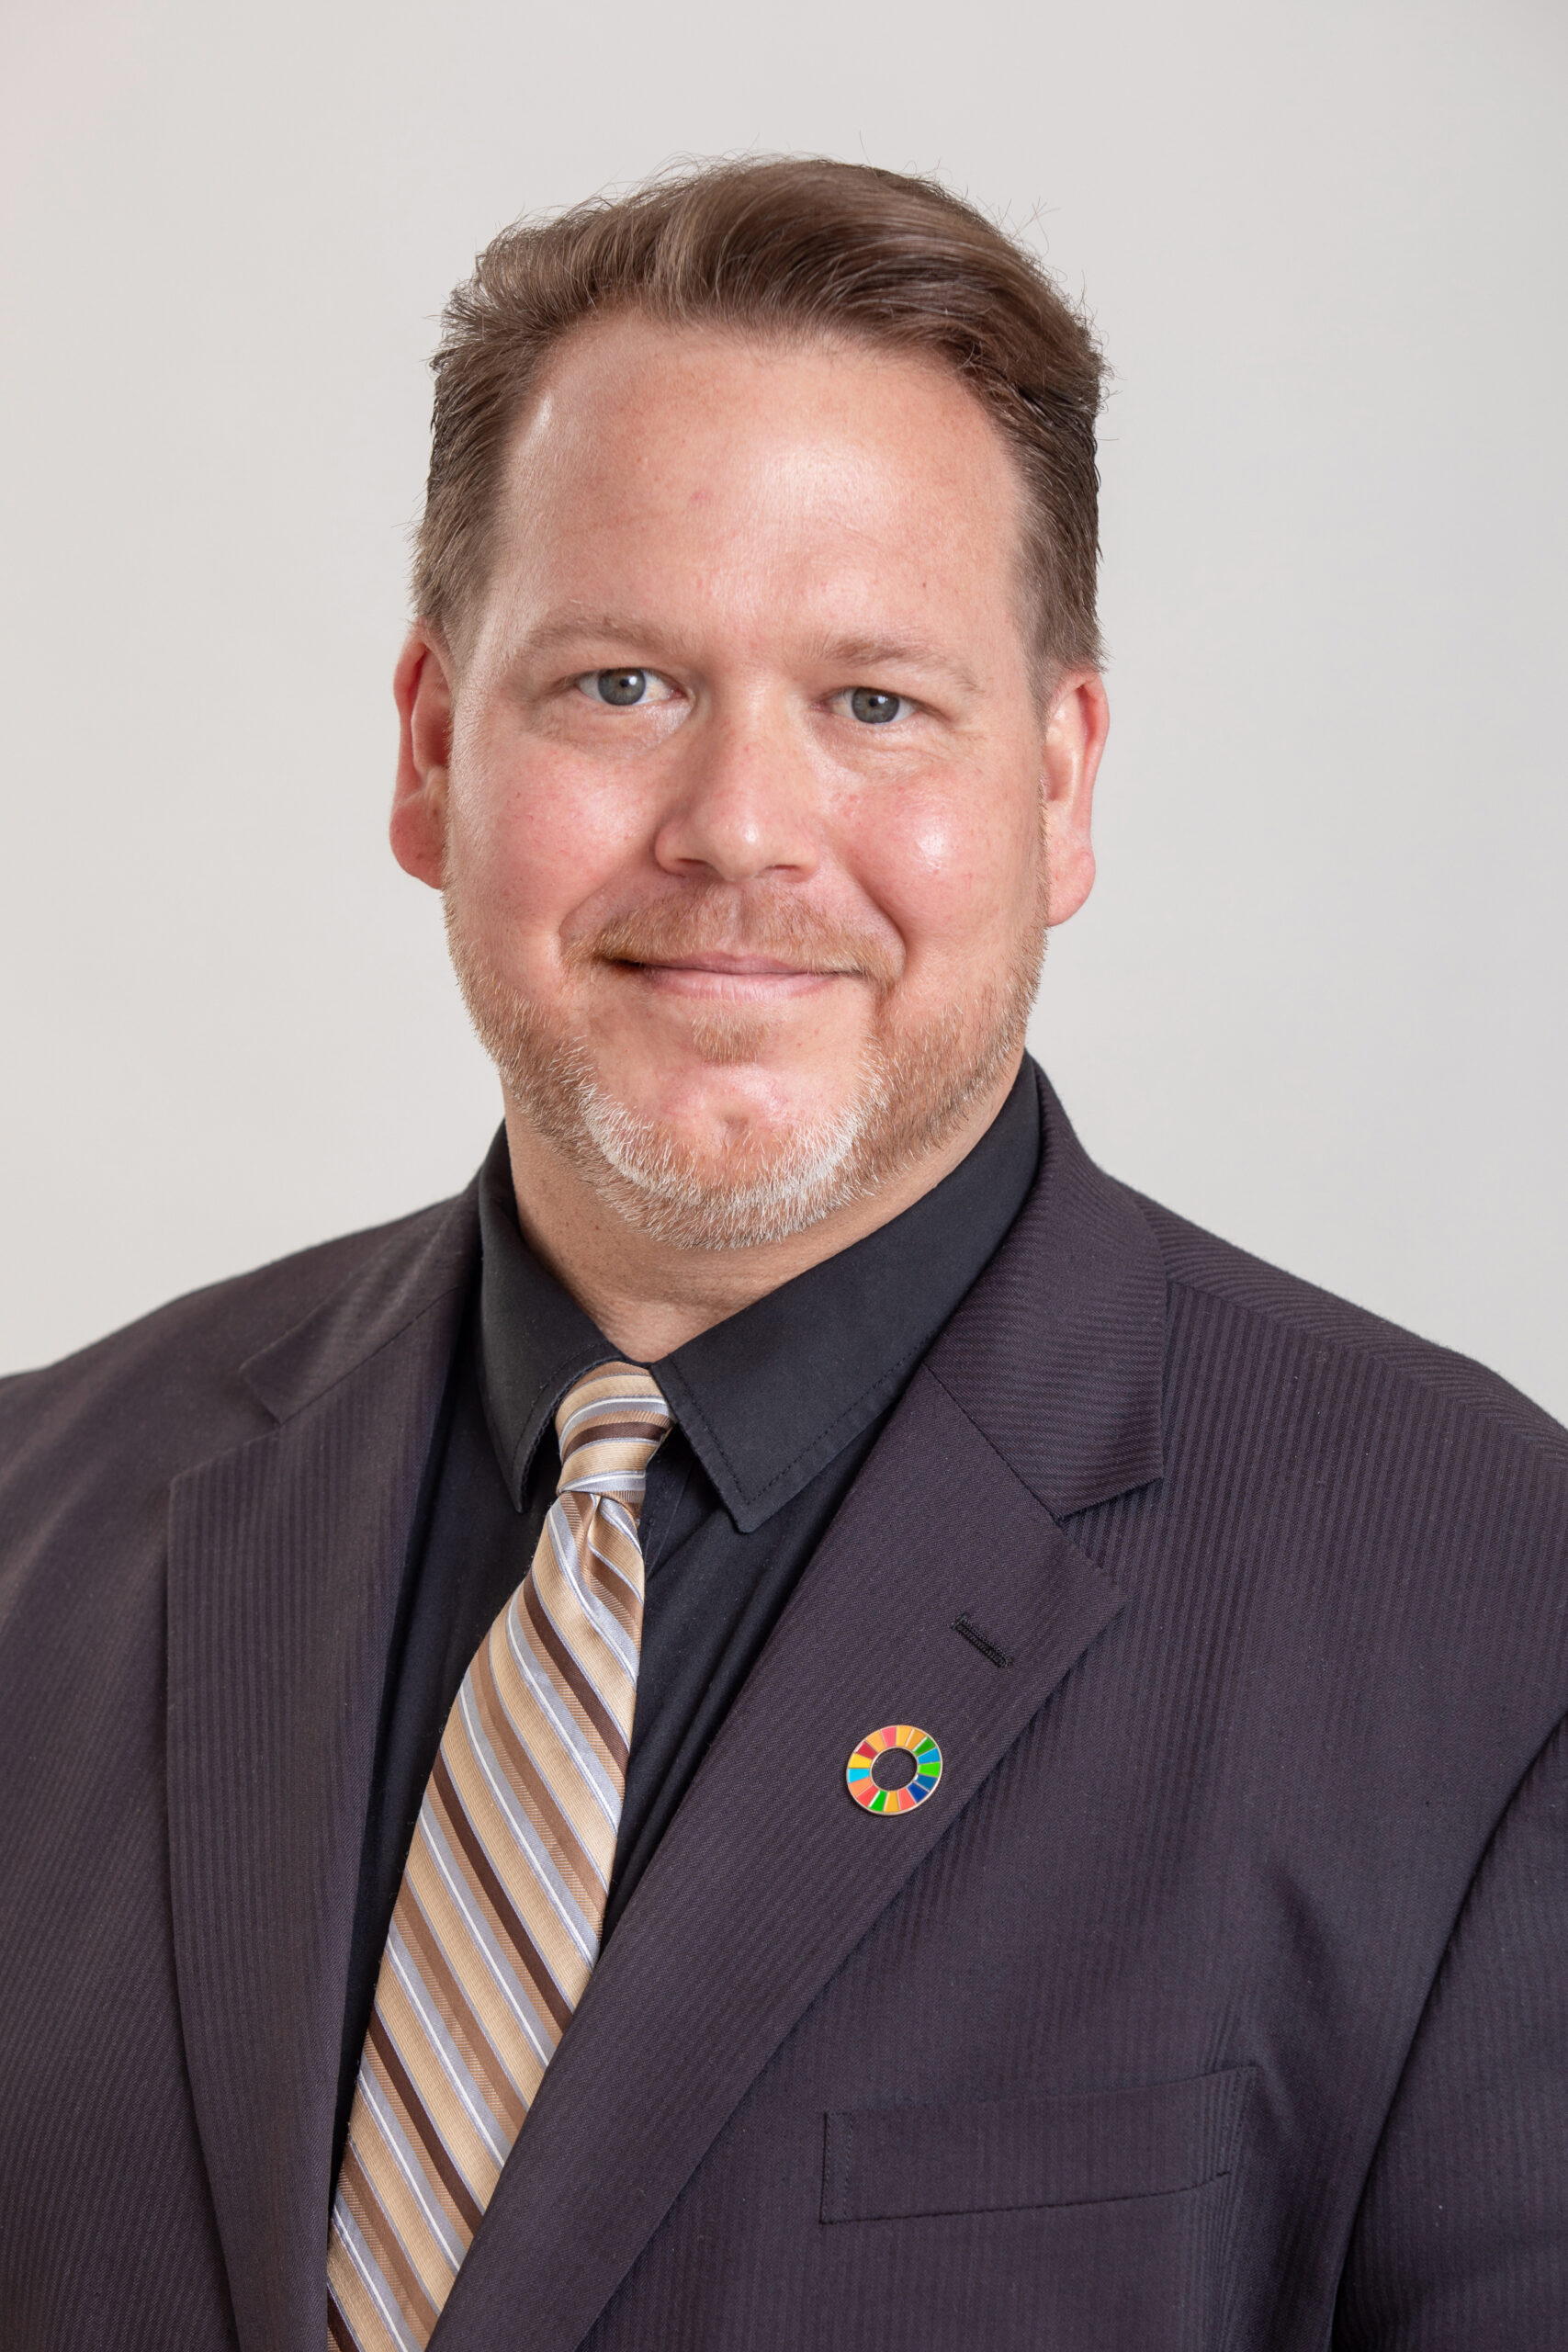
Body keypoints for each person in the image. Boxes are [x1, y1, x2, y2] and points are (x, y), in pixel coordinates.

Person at [1, 154, 1563, 2352]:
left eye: (873, 701)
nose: (737, 826)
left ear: (1060, 780)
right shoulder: (35, 1528)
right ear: (432, 749)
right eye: (622, 681)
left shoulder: (1488, 1609)